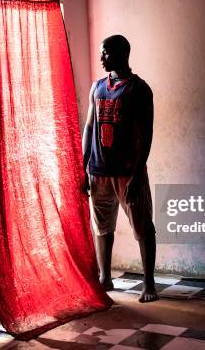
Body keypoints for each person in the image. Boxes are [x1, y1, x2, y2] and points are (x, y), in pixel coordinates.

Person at [82, 35, 158, 303]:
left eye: (105, 53)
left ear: (121, 54)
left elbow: (145, 135)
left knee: (142, 226)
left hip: (128, 172)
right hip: (98, 170)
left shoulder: (139, 89)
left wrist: (138, 174)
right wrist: (83, 166)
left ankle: (149, 283)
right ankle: (105, 277)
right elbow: (89, 127)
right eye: (101, 53)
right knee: (102, 227)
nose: (101, 58)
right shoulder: (97, 87)